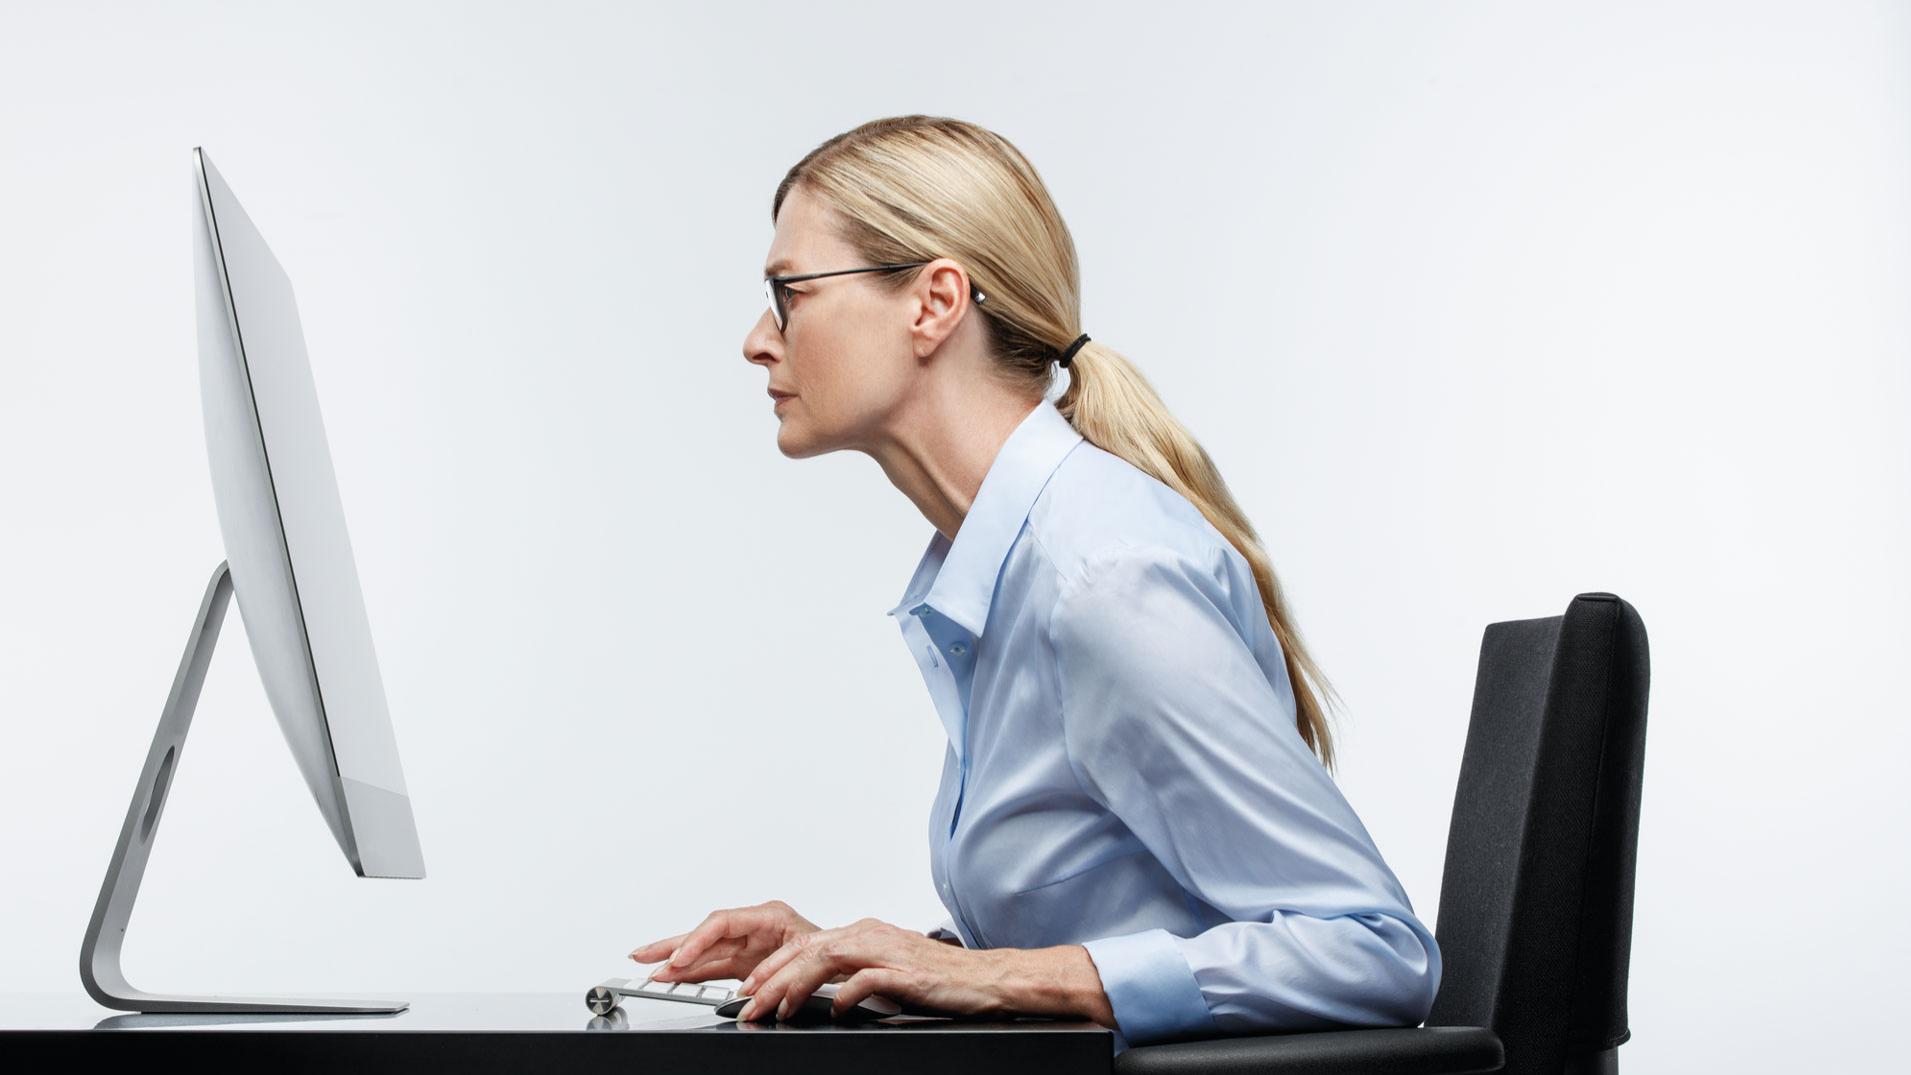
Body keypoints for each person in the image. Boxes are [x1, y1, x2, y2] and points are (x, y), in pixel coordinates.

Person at [629, 114, 1440, 1054]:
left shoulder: (1101, 578)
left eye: (788, 293)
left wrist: (985, 974)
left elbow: (1372, 950)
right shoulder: (1000, 573)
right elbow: (1125, 915)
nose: (756, 341)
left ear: (933, 302)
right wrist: (862, 961)